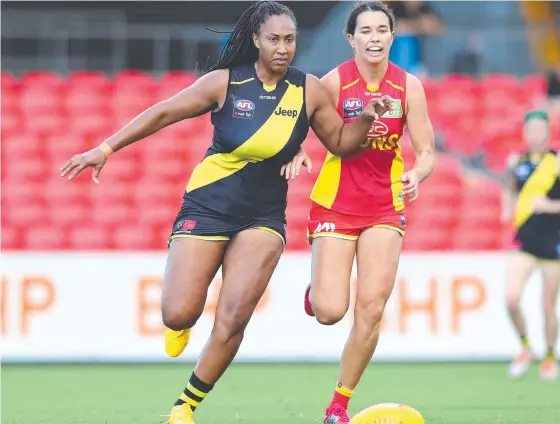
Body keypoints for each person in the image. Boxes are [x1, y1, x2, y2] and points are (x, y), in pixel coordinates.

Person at [59, 2, 393, 423]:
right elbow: (163, 112)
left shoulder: (309, 91)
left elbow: (342, 144)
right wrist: (105, 148)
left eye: (290, 40)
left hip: (263, 216)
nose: (283, 48)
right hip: (208, 204)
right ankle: (179, 324)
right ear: (255, 39)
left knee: (234, 316)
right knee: (178, 310)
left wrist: (364, 117)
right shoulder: (225, 82)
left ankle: (184, 407)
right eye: (274, 39)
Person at [302, 2, 435, 422]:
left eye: (382, 30)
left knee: (372, 309)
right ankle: (315, 295)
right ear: (351, 38)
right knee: (330, 311)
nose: (374, 38)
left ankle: (338, 405)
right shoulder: (333, 83)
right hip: (337, 204)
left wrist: (418, 172)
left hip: (384, 204)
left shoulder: (409, 86)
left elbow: (427, 149)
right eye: (366, 31)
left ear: (392, 37)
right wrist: (292, 157)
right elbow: (301, 131)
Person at [502, 110, 559, 381]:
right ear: (525, 133)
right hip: (524, 240)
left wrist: (550, 207)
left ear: (548, 132)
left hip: (553, 242)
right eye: (531, 130)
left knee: (547, 306)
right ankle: (526, 348)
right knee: (511, 298)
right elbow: (510, 190)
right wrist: (508, 210)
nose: (536, 134)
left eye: (540, 129)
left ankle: (549, 356)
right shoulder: (517, 162)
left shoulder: (557, 163)